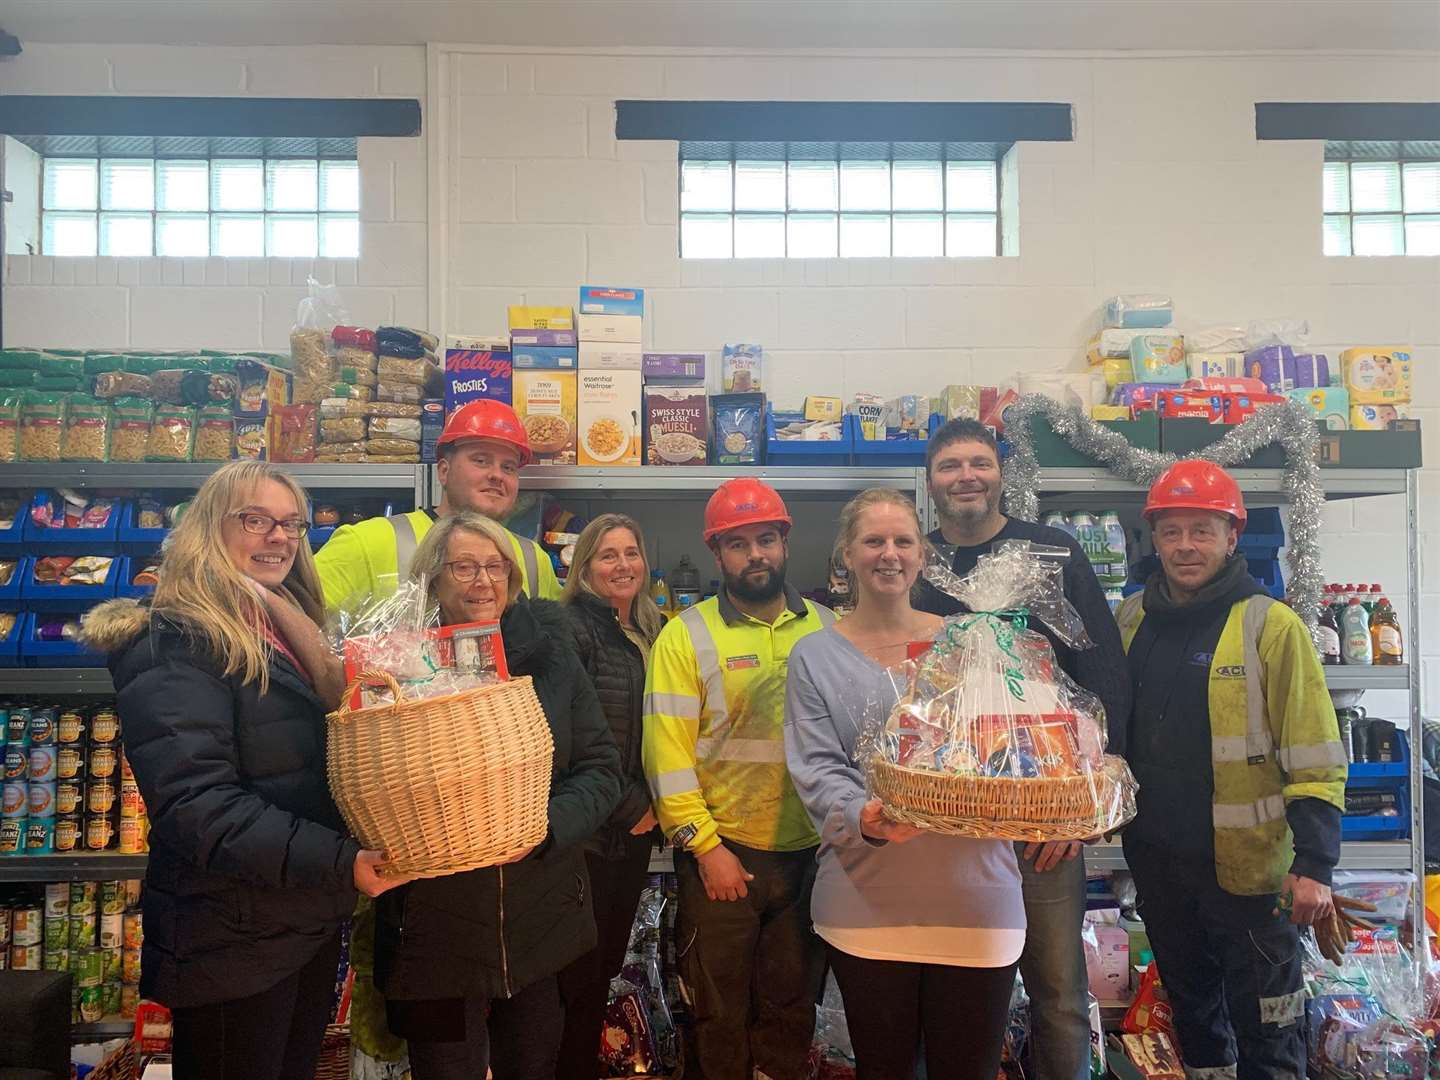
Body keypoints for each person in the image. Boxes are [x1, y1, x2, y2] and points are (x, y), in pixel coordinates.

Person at [78, 461, 407, 1080]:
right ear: (209, 528)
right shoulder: (176, 639)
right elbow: (197, 806)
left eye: (290, 524)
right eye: (254, 520)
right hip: (231, 933)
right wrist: (341, 861)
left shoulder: (285, 626)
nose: (278, 537)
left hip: (296, 918)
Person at [912, 418, 1130, 1080]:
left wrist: (1079, 805)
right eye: (951, 466)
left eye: (979, 462)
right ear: (930, 482)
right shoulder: (912, 562)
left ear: (1002, 471)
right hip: (941, 818)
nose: (966, 476)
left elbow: (1103, 675)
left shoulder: (1052, 552)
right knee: (948, 989)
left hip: (1043, 816)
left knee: (1059, 993)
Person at [785, 488, 1026, 1080]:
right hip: (867, 907)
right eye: (873, 541)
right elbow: (816, 769)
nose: (888, 554)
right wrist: (862, 816)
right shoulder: (814, 655)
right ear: (846, 555)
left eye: (902, 541)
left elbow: (1011, 750)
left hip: (978, 903)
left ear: (923, 554)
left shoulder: (974, 642)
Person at [372, 511, 623, 1080]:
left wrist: (543, 828)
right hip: (434, 929)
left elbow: (602, 769)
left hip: (541, 919)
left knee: (532, 1063)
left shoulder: (552, 657)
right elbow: (368, 782)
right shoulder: (394, 668)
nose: (483, 581)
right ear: (433, 577)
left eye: (495, 567)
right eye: (464, 566)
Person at [1116, 461, 1346, 1078]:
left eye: (1202, 530)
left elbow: (1315, 753)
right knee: (1194, 1019)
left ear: (1231, 536)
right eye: (1172, 531)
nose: (1186, 546)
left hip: (1250, 879)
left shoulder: (1272, 626)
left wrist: (1315, 865)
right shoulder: (1132, 619)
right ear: (1154, 538)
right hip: (1160, 868)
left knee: (1269, 1023)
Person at [643, 478, 835, 1080]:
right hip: (725, 858)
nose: (755, 554)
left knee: (791, 1007)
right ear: (716, 554)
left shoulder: (830, 629)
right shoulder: (687, 634)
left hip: (813, 856)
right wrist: (705, 846)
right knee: (718, 1013)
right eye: (737, 544)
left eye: (766, 539)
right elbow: (666, 754)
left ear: (784, 543)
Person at [556, 513, 665, 1077]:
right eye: (607, 555)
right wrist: (632, 805)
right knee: (575, 981)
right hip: (592, 835)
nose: (622, 565)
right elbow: (564, 736)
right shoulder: (573, 628)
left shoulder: (649, 629)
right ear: (584, 567)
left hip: (633, 835)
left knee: (598, 977)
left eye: (631, 552)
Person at [315, 399, 561, 615]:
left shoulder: (532, 559)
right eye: (481, 460)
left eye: (508, 467)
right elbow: (292, 619)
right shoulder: (368, 541)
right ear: (444, 471)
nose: (497, 475)